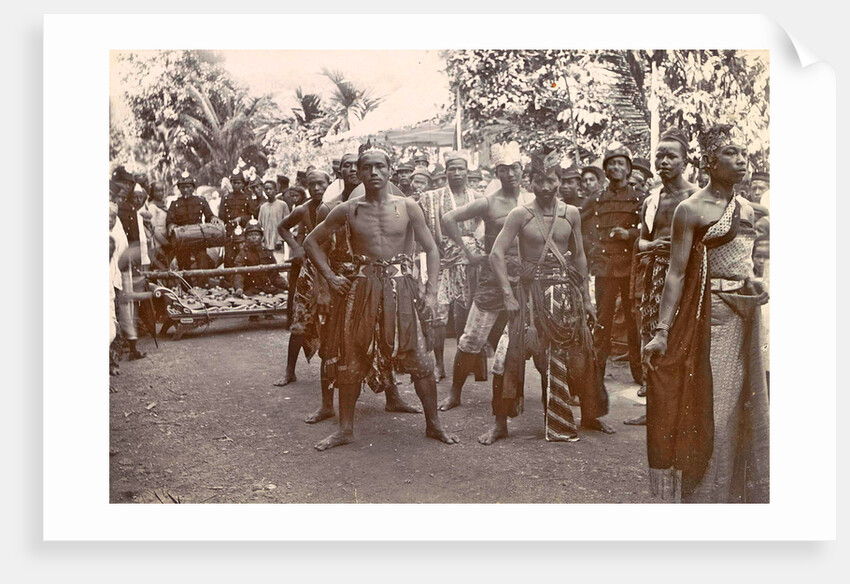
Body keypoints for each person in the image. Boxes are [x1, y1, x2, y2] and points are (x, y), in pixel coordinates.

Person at [303, 140, 459, 451]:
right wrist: (331, 277)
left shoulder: (408, 207)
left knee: (418, 357)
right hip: (362, 289)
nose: (373, 172)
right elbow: (310, 242)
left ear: (390, 171)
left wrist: (430, 292)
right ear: (358, 173)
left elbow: (432, 249)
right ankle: (345, 429)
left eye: (380, 167)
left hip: (401, 288)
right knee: (352, 355)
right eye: (367, 167)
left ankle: (434, 424)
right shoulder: (348, 209)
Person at [642, 124, 769, 503]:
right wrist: (662, 330)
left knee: (746, 405)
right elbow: (677, 273)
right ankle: (704, 499)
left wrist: (753, 284)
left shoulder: (748, 209)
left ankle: (738, 496)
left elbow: (743, 265)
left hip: (746, 318)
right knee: (713, 408)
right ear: (710, 161)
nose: (741, 160)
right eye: (731, 153)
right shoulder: (691, 209)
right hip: (708, 319)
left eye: (743, 153)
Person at [481, 148, 613, 445]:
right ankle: (500, 425)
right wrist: (508, 296)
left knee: (581, 356)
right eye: (539, 181)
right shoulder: (520, 214)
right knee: (508, 357)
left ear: (560, 181)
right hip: (530, 297)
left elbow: (579, 257)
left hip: (566, 295)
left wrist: (587, 299)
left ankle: (589, 416)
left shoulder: (571, 213)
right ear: (530, 182)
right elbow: (496, 254)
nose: (545, 187)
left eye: (551, 180)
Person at [437, 141, 533, 411]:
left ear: (522, 169)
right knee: (472, 338)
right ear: (497, 173)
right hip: (493, 277)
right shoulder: (490, 202)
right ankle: (455, 393)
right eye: (503, 169)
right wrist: (468, 252)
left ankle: (516, 396)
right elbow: (448, 218)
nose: (510, 174)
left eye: (514, 168)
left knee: (523, 339)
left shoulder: (532, 200)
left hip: (526, 278)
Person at [624, 128, 698, 425]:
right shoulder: (652, 201)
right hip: (655, 274)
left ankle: (682, 410)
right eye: (660, 156)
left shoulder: (696, 197)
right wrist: (653, 245)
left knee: (682, 338)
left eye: (671, 156)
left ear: (685, 162)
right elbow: (641, 240)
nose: (664, 161)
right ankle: (654, 409)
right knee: (652, 335)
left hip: (686, 275)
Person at [418, 150, 484, 381]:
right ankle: (438, 364)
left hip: (471, 262)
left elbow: (484, 229)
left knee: (466, 313)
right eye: (452, 169)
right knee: (438, 316)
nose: (456, 173)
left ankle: (466, 362)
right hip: (442, 261)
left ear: (467, 171)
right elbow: (423, 231)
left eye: (461, 168)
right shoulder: (432, 198)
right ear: (445, 172)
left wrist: (473, 249)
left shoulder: (478, 197)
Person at [584, 143, 644, 386]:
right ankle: (596, 372)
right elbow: (578, 220)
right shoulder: (597, 198)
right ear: (605, 170)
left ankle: (639, 373)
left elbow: (651, 230)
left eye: (621, 163)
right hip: (605, 267)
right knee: (603, 320)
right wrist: (590, 248)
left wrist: (630, 235)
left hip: (630, 268)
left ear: (628, 169)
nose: (616, 167)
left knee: (633, 321)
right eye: (611, 164)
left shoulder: (640, 198)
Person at [275, 170, 330, 386]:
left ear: (329, 184)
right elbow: (282, 227)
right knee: (300, 320)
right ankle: (290, 371)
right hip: (309, 270)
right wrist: (296, 247)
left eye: (321, 184)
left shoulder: (337, 206)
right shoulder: (303, 209)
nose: (316, 188)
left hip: (333, 269)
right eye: (312, 184)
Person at [165, 171, 219, 280]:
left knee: (202, 261)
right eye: (183, 187)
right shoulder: (175, 204)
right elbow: (169, 220)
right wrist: (171, 226)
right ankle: (186, 287)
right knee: (183, 264)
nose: (186, 190)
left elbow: (209, 215)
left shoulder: (200, 201)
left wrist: (213, 218)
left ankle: (203, 285)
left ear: (193, 188)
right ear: (179, 189)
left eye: (188, 187)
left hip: (198, 236)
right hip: (183, 238)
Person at [232, 221, 288, 296]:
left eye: (256, 234)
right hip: (251, 290)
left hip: (268, 289)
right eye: (250, 235)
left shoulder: (267, 253)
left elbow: (274, 276)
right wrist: (239, 288)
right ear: (246, 238)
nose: (254, 237)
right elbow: (239, 274)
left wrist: (286, 285)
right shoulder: (242, 255)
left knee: (287, 295)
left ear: (261, 237)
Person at [219, 169, 257, 269]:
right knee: (229, 257)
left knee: (244, 256)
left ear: (243, 184)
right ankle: (228, 277)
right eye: (234, 183)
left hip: (243, 231)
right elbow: (221, 217)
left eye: (238, 183)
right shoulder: (225, 198)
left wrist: (241, 219)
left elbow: (253, 216)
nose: (236, 185)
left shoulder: (247, 197)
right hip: (229, 232)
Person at [257, 179, 290, 265]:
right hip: (266, 243)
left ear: (276, 190)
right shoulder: (263, 207)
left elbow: (287, 224)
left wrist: (280, 239)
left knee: (279, 265)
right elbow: (259, 225)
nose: (268, 191)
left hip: (278, 243)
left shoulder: (282, 205)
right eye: (266, 189)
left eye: (270, 189)